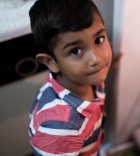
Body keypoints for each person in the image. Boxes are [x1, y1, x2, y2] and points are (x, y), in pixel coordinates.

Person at [28, 0, 113, 155]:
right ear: (50, 62)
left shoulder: (83, 77)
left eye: (98, 40)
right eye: (75, 51)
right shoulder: (60, 129)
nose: (96, 59)